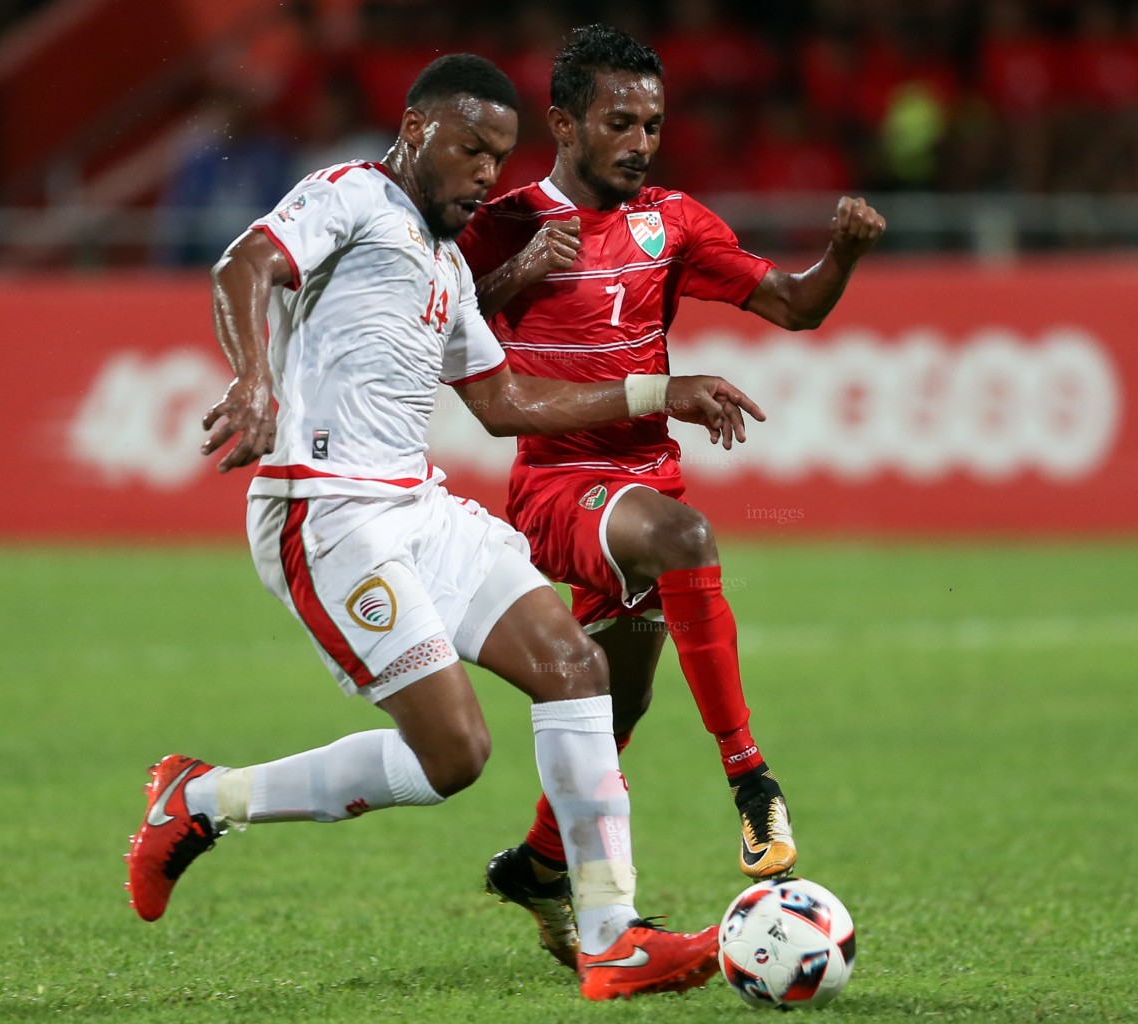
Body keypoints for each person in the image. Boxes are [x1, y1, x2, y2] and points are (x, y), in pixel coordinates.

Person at [123, 53, 769, 1003]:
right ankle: (203, 800)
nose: (485, 175)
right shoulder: (349, 195)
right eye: (471, 150)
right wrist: (257, 379)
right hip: (324, 508)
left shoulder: (446, 261)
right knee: (455, 758)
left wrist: (656, 391)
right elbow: (246, 263)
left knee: (575, 667)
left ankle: (612, 935)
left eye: (500, 159)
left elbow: (504, 401)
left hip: (414, 504)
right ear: (419, 131)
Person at [456, 25, 886, 969]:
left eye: (652, 122)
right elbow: (433, 321)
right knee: (686, 537)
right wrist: (507, 281)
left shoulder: (674, 223)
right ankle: (752, 782)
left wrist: (842, 254)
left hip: (640, 483)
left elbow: (795, 305)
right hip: (556, 489)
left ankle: (538, 864)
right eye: (620, 122)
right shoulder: (506, 221)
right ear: (565, 124)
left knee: (615, 701)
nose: (641, 140)